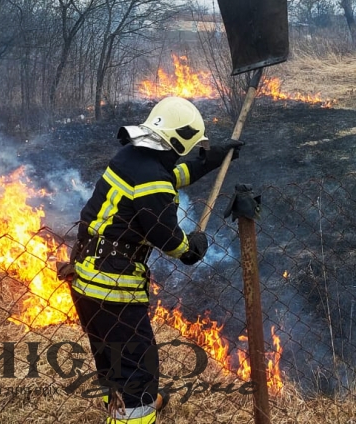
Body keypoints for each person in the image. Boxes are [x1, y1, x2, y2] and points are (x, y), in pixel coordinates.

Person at [68, 96, 243, 424]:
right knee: (138, 368)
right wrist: (194, 246)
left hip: (86, 279)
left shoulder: (130, 159)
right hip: (113, 288)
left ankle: (119, 404)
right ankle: (133, 410)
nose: (185, 155)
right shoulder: (152, 182)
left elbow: (171, 177)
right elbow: (171, 241)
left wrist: (213, 159)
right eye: (187, 148)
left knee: (110, 354)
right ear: (177, 141)